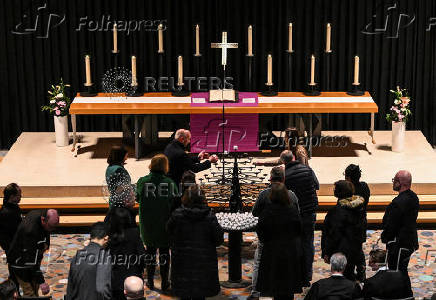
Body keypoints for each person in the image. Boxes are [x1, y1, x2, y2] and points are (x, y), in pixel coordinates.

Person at [249, 167, 300, 300]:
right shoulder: (292, 196)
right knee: (287, 267)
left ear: (271, 179)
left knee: (259, 262)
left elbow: (255, 214)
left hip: (268, 241)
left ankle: (256, 292)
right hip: (288, 242)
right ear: (283, 179)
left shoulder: (264, 195)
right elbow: (298, 221)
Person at [167, 185, 224, 300]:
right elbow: (218, 240)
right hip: (204, 263)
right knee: (200, 294)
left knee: (184, 293)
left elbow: (168, 233)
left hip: (182, 262)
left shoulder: (177, 215)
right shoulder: (209, 216)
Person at [136, 154, 178, 291]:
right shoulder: (170, 183)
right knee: (165, 252)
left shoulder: (143, 181)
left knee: (150, 252)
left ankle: (150, 281)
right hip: (164, 222)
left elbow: (137, 198)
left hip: (148, 223)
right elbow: (175, 201)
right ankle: (165, 282)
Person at [281, 150, 318, 286]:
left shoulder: (285, 175)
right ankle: (307, 276)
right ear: (294, 158)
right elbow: (317, 185)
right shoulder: (308, 169)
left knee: (294, 244)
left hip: (294, 214)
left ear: (283, 162)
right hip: (310, 211)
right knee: (308, 243)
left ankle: (296, 275)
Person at [7, 209, 59, 297]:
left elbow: (47, 231)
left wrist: (46, 243)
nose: (52, 230)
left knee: (35, 289)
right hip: (20, 264)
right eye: (51, 227)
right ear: (43, 220)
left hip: (29, 258)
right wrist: (42, 282)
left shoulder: (40, 215)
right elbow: (32, 262)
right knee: (30, 294)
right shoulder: (30, 232)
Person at [321, 180, 366, 281]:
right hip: (355, 247)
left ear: (339, 192)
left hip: (341, 250)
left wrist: (327, 252)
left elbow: (333, 234)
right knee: (349, 274)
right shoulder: (360, 207)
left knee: (343, 277)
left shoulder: (337, 211)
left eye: (335, 189)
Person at [381, 170, 419, 272]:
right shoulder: (414, 197)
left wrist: (385, 237)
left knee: (396, 272)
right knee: (402, 270)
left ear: (400, 183)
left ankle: (402, 288)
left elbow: (391, 226)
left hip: (399, 244)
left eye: (394, 180)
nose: (393, 182)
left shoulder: (398, 203)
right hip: (410, 241)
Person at [106, 207, 146, 300]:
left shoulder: (110, 236)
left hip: (115, 279)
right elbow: (142, 255)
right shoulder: (134, 234)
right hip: (133, 277)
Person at [66, 222, 112, 300]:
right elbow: (102, 289)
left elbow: (70, 289)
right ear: (106, 238)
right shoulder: (103, 256)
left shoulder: (76, 257)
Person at [344, 164, 370, 281]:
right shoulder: (364, 187)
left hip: (350, 224)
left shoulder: (348, 191)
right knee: (358, 247)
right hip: (361, 222)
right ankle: (361, 271)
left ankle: (350, 272)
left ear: (349, 178)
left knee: (350, 249)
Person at [0, 183, 22, 253]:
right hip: (13, 247)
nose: (21, 196)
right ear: (12, 197)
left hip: (16, 244)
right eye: (19, 195)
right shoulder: (7, 213)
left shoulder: (13, 207)